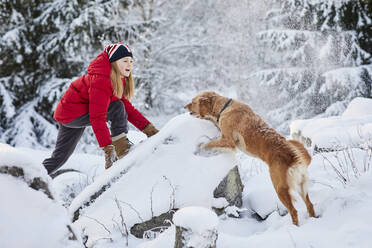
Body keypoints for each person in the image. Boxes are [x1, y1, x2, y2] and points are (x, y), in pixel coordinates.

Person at [42, 43, 158, 174]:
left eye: (131, 61)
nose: (129, 65)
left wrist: (148, 128)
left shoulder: (118, 78)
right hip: (73, 114)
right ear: (114, 62)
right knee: (117, 107)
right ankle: (122, 148)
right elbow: (98, 117)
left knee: (60, 157)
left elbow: (127, 108)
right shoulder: (101, 80)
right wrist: (108, 149)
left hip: (69, 115)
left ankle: (33, 175)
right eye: (125, 61)